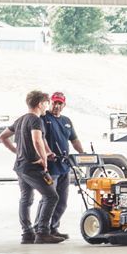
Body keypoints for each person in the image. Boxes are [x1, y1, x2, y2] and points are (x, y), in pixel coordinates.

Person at [0, 89, 63, 244]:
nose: (47, 106)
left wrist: (17, 151)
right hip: (33, 167)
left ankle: (27, 233)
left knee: (26, 199)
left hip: (20, 166)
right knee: (51, 196)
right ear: (40, 104)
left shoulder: (20, 119)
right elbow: (37, 140)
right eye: (46, 103)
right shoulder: (35, 120)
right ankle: (42, 232)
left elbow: (2, 137)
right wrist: (44, 159)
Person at [39, 92, 89, 238]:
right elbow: (41, 138)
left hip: (65, 167)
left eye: (60, 103)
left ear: (64, 105)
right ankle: (41, 229)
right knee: (48, 199)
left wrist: (83, 153)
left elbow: (74, 140)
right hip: (51, 166)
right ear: (50, 103)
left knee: (62, 201)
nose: (56, 105)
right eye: (54, 102)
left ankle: (53, 228)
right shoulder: (44, 118)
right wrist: (48, 153)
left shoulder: (67, 121)